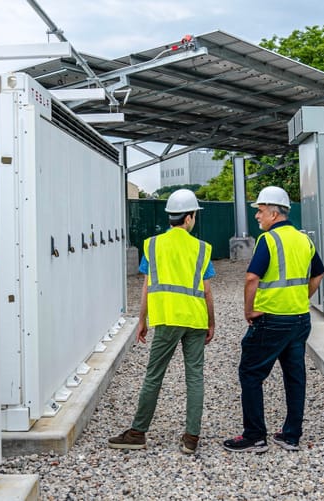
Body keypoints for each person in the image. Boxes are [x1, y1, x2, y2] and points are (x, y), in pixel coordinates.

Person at [108, 189, 216, 454]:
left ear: (171, 217)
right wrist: (211, 323)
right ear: (189, 218)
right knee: (195, 378)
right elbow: (207, 290)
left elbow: (146, 286)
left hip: (166, 318)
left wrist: (142, 319)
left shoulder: (153, 245)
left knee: (154, 376)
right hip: (196, 318)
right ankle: (191, 438)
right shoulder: (202, 248)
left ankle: (137, 433)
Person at [223, 186, 324, 453]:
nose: (257, 216)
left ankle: (255, 436)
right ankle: (291, 436)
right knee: (295, 377)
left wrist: (249, 310)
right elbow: (318, 275)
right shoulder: (305, 240)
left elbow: (251, 278)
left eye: (260, 210)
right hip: (300, 319)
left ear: (275, 213)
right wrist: (301, 298)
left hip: (271, 320)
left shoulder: (268, 241)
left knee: (250, 373)